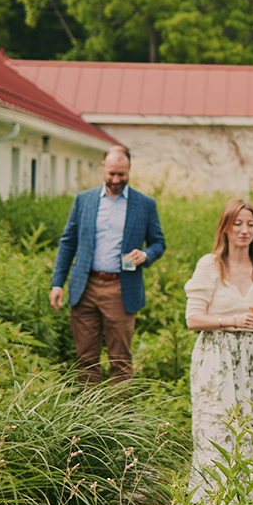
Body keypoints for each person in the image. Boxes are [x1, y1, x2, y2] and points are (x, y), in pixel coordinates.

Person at [49, 146, 166, 384]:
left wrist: (145, 254)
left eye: (121, 174)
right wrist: (57, 283)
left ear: (129, 170)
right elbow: (68, 243)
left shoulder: (145, 204)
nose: (115, 179)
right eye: (111, 173)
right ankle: (88, 416)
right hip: (85, 286)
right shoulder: (85, 200)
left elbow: (158, 243)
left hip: (120, 289)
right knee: (85, 359)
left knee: (120, 360)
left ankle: (118, 416)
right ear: (103, 167)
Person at [184, 198, 253, 498]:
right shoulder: (210, 265)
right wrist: (233, 320)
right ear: (225, 227)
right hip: (216, 358)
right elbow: (192, 319)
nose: (244, 230)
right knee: (218, 429)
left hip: (250, 360)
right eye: (237, 223)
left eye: (250, 224)